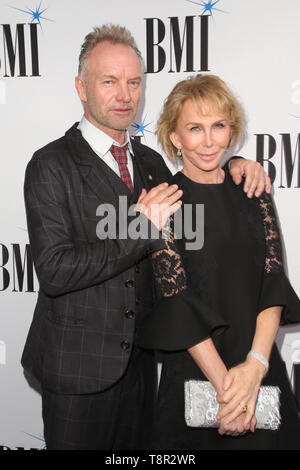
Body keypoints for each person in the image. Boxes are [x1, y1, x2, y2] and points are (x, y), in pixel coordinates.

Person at [21, 25, 269, 450]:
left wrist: (237, 163)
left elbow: (198, 174)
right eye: (109, 81)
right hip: (77, 374)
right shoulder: (50, 165)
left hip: (143, 368)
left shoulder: (151, 161)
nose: (124, 94)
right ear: (81, 87)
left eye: (134, 82)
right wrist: (141, 226)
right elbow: (56, 270)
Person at [138, 74, 300, 450]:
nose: (209, 141)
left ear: (232, 130)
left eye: (218, 126)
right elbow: (177, 303)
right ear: (175, 138)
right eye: (195, 128)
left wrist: (256, 366)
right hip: (198, 373)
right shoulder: (165, 204)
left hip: (258, 367)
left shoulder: (253, 190)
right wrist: (230, 394)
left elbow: (273, 282)